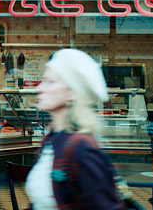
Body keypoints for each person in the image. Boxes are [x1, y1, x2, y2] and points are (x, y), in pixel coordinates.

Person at [25, 49, 125, 209]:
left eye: (50, 81)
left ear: (72, 92)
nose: (40, 88)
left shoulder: (82, 148)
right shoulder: (52, 139)